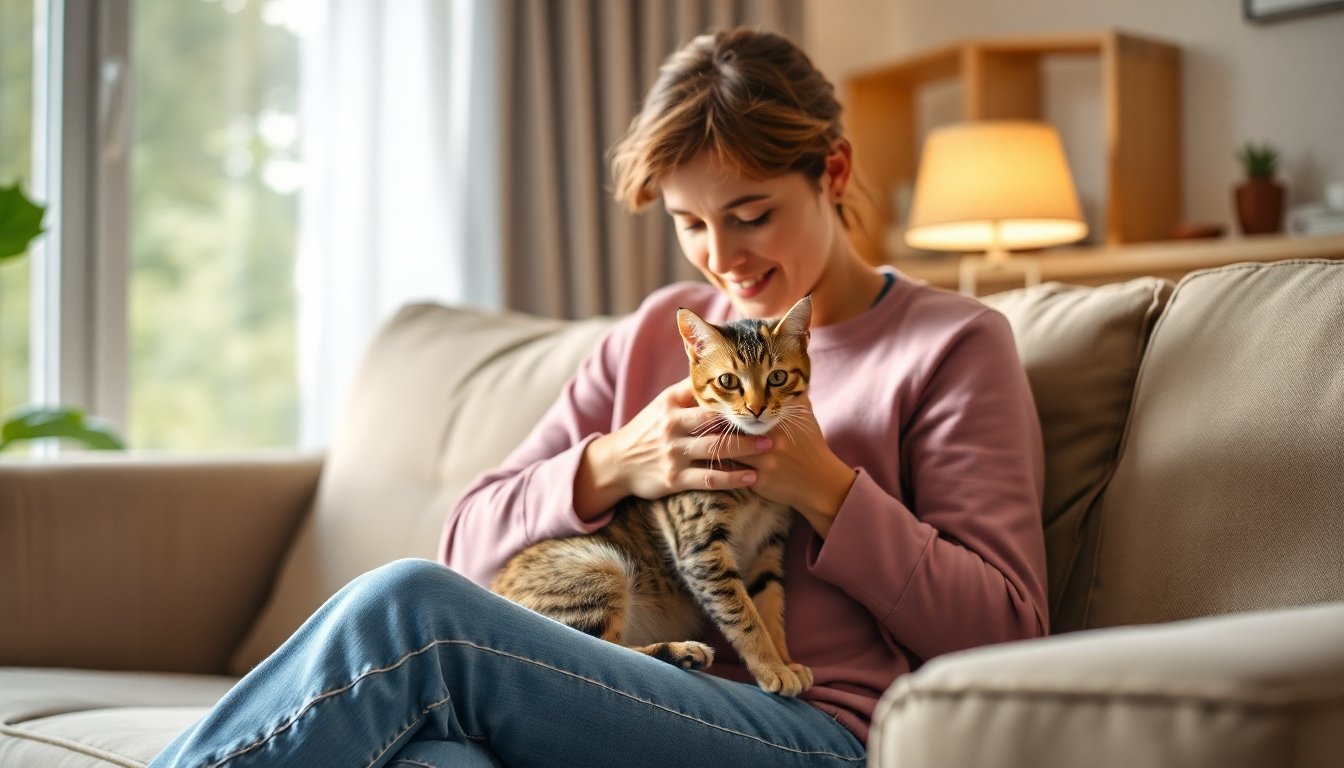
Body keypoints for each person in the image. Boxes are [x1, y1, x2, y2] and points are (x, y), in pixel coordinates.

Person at [151, 28, 1046, 768]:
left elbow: (1007, 630)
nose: (723, 258)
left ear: (836, 172)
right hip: (631, 693)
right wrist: (614, 462)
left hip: (822, 733)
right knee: (430, 762)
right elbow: (469, 538)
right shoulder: (665, 329)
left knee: (409, 611)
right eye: (691, 223)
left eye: (752, 213)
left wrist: (825, 487)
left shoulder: (953, 347)